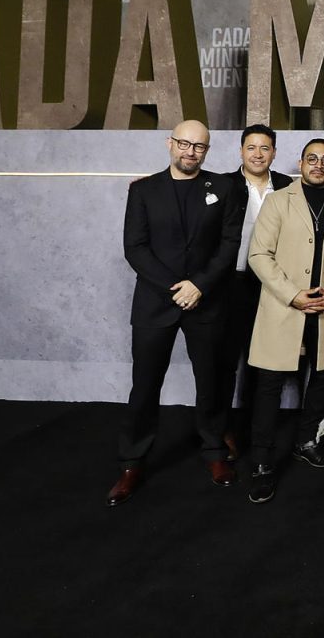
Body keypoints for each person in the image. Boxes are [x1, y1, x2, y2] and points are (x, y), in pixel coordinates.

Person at [108, 119, 242, 506]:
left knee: (211, 381)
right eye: (184, 143)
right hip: (156, 302)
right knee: (145, 386)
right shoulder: (144, 190)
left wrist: (199, 285)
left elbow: (229, 244)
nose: (190, 151)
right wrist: (175, 288)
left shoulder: (224, 187)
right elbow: (135, 248)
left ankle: (215, 453)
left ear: (207, 151)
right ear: (170, 144)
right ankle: (132, 463)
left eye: (199, 147)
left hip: (207, 300)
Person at [243, 138, 324, 502]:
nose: (319, 165)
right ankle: (262, 462)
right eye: (312, 159)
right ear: (301, 162)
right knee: (268, 386)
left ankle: (306, 440)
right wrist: (292, 295)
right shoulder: (279, 200)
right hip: (285, 308)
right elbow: (259, 254)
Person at [217, 124, 292, 461]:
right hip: (234, 282)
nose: (258, 154)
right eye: (252, 147)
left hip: (274, 284)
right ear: (241, 151)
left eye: (265, 148)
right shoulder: (222, 185)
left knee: (264, 362)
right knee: (228, 361)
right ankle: (222, 432)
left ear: (274, 152)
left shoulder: (289, 187)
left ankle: (254, 430)